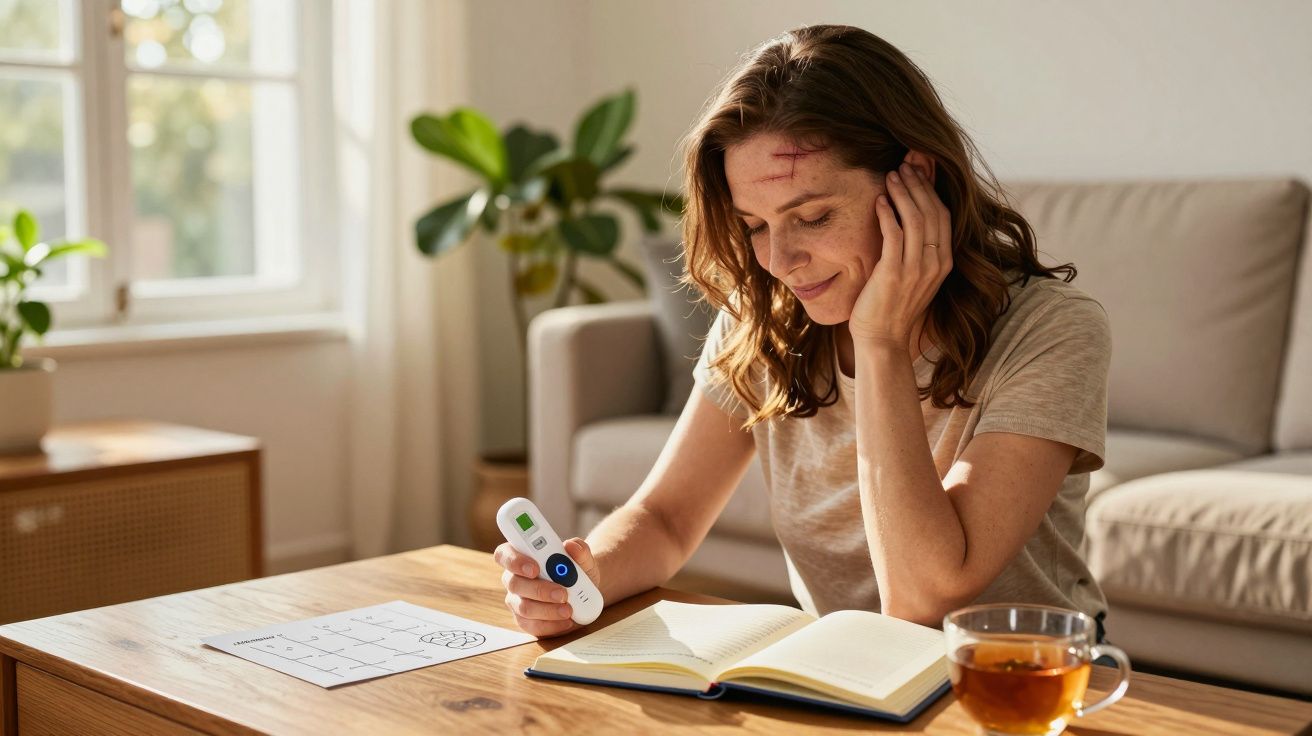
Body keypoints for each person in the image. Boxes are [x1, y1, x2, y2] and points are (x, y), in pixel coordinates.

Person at [495, 24, 1113, 645]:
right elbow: (667, 516)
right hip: (846, 676)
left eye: (812, 217)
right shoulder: (767, 316)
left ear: (915, 180)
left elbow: (923, 598)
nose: (780, 261)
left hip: (1022, 678)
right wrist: (586, 573)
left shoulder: (1051, 329)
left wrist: (879, 345)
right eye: (756, 225)